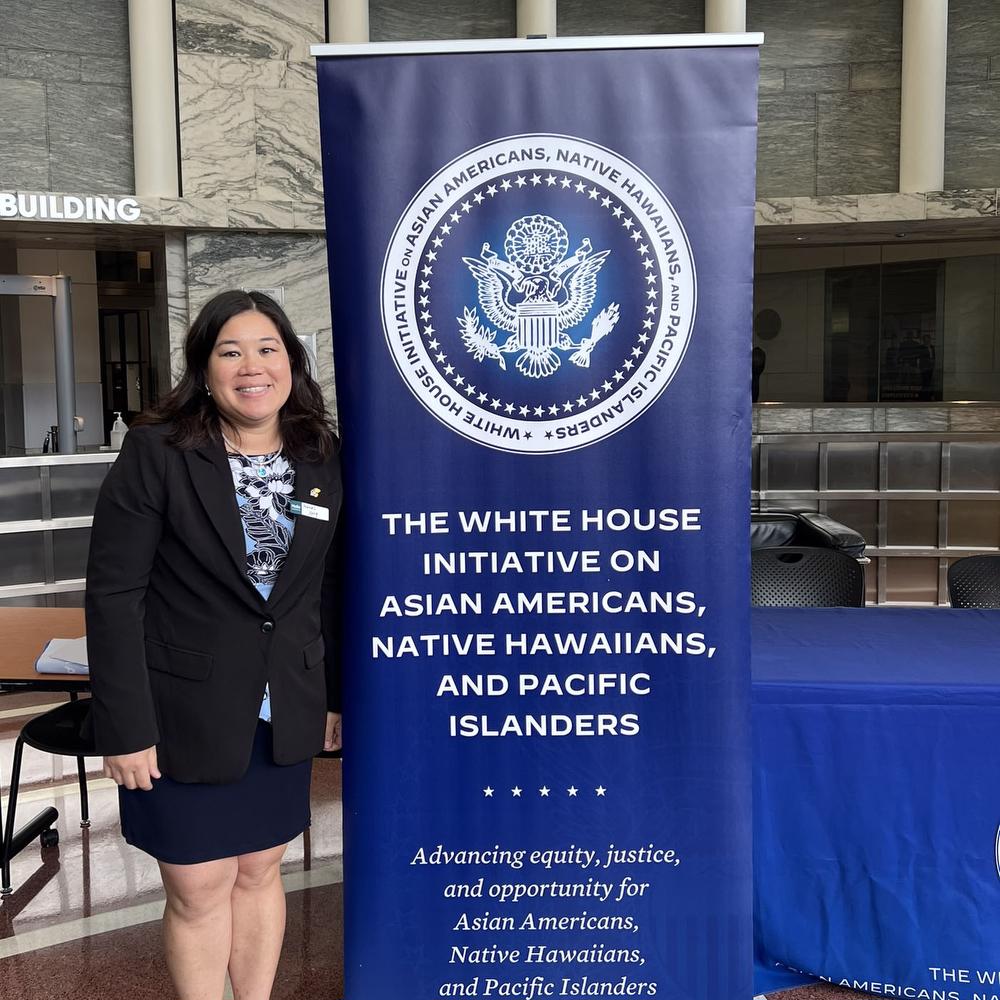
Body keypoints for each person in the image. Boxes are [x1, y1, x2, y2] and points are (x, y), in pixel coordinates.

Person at [85, 289, 342, 1000]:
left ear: (292, 361)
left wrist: (334, 696)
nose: (251, 366)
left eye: (268, 349)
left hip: (281, 706)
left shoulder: (320, 455)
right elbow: (114, 596)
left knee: (261, 871)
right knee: (200, 887)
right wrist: (126, 726)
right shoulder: (158, 453)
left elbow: (326, 588)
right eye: (231, 351)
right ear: (204, 368)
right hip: (180, 715)